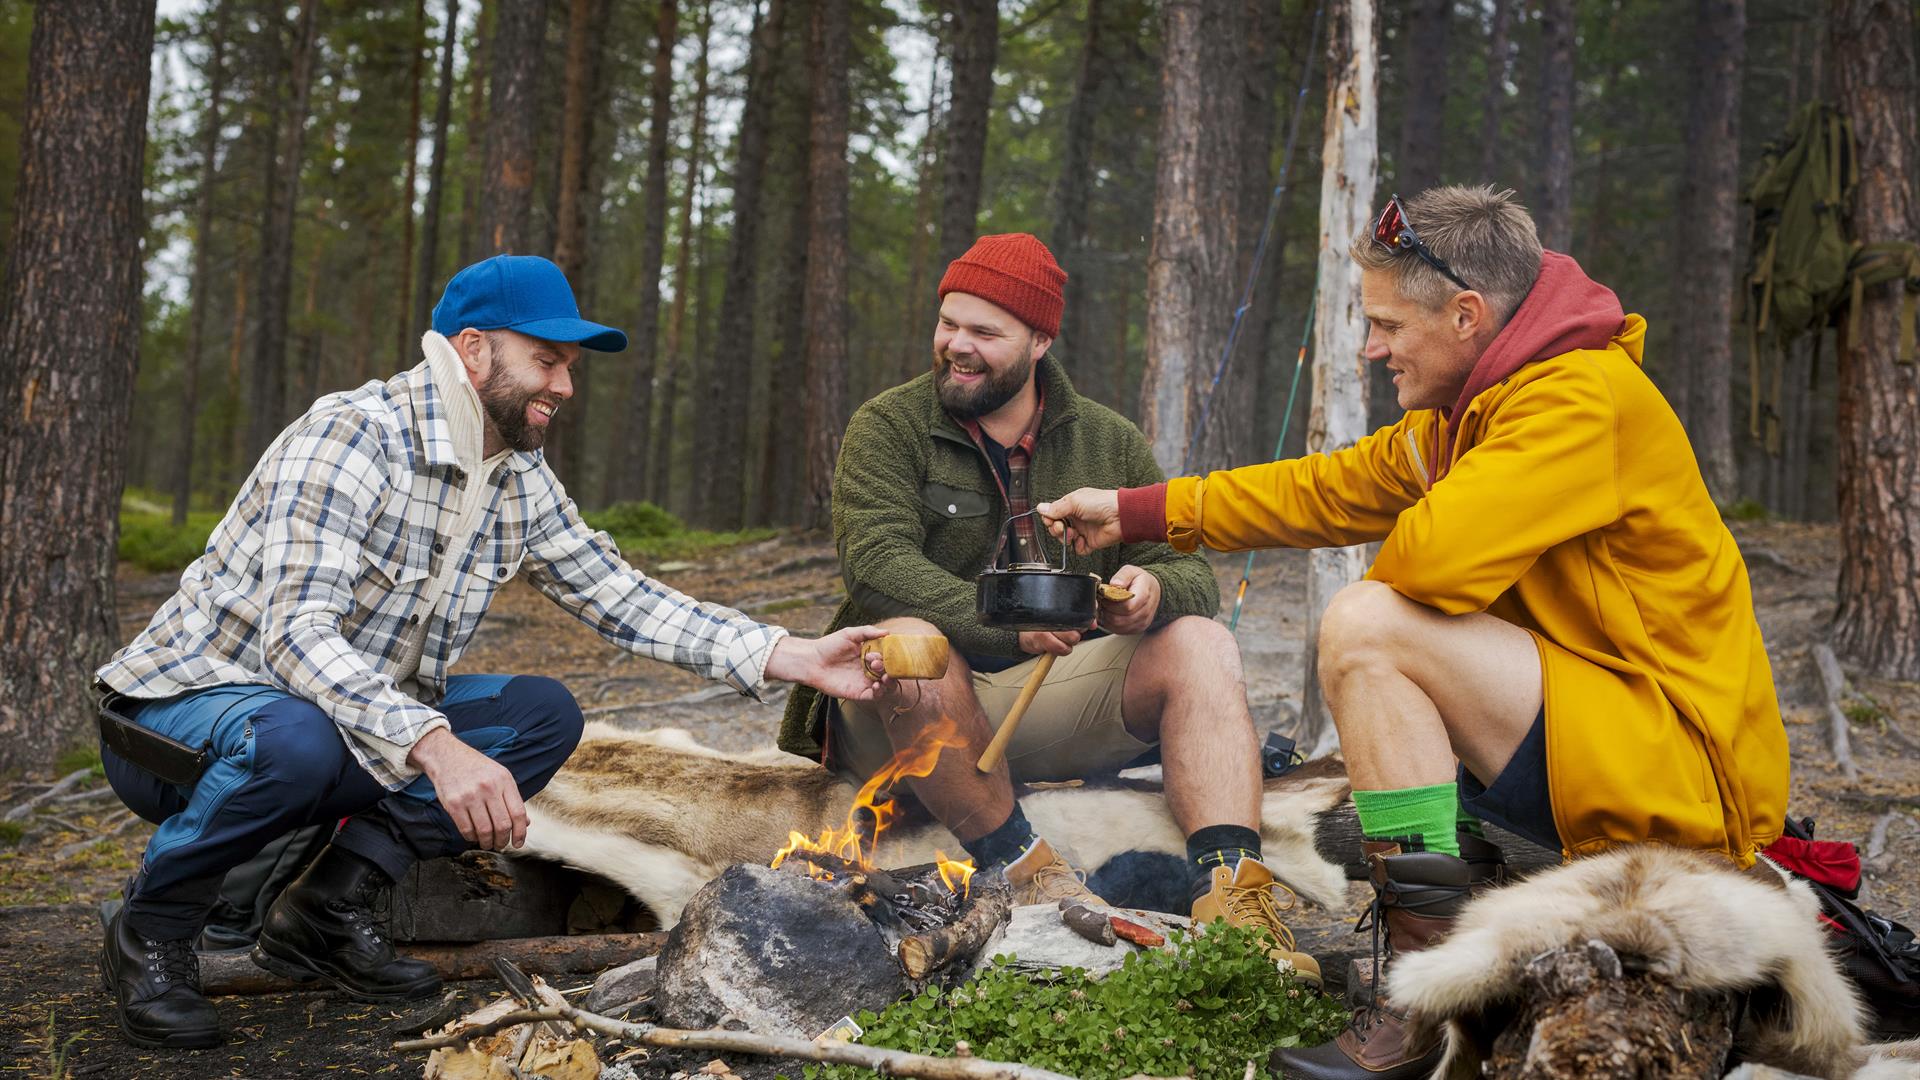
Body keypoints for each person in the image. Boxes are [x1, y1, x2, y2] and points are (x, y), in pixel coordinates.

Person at [1036, 185, 1790, 1079]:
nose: (1370, 345)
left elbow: (1427, 570)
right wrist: (1133, 510)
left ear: (1468, 315)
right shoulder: (1478, 407)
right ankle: (1441, 942)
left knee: (1370, 626)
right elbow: (1327, 487)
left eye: (1387, 323)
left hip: (1671, 762)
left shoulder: (1576, 402)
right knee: (1376, 625)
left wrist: (1423, 480)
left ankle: (1430, 988)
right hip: (1593, 727)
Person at [94, 254, 892, 1050]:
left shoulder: (517, 475)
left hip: (331, 724)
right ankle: (151, 934)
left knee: (540, 716)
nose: (566, 387)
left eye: (570, 367)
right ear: (473, 350)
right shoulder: (349, 437)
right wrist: (437, 747)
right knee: (297, 738)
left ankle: (324, 912)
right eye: (547, 361)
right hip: (177, 722)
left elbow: (620, 594)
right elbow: (297, 638)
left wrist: (790, 653)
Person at [780, 232, 1320, 986]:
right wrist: (997, 616)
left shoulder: (1107, 439)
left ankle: (1234, 899)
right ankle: (1026, 868)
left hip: (1046, 699)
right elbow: (876, 568)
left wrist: (1153, 593)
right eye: (948, 323)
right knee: (910, 639)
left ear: (1040, 339)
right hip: (903, 711)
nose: (956, 347)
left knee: (1199, 640)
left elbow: (1187, 571)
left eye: (984, 332)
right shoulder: (889, 426)